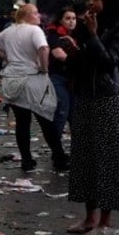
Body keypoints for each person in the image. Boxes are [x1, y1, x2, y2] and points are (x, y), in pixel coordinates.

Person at [65, 0, 119, 235]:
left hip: (107, 98)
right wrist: (78, 42)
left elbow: (109, 62)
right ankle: (88, 217)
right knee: (86, 157)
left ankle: (105, 220)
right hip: (86, 96)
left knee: (108, 159)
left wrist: (94, 36)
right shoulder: (86, 27)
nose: (91, 2)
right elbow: (80, 60)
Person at [0, 3, 69, 172]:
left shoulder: (9, 31)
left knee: (22, 122)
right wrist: (44, 67)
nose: (39, 16)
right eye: (35, 13)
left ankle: (26, 160)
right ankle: (59, 157)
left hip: (12, 79)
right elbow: (43, 47)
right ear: (26, 15)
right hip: (33, 79)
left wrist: (7, 57)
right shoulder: (35, 30)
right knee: (45, 119)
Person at [46, 7, 78, 140]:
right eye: (68, 18)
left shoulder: (77, 35)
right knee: (62, 112)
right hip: (58, 77)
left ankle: (77, 149)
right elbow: (59, 55)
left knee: (74, 115)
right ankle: (56, 150)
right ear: (61, 20)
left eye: (74, 18)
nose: (71, 22)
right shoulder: (54, 35)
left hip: (74, 79)